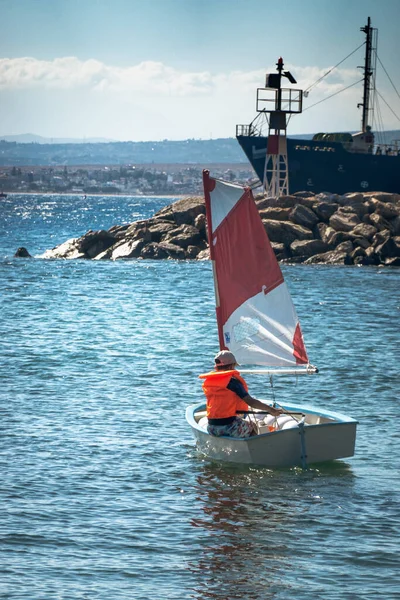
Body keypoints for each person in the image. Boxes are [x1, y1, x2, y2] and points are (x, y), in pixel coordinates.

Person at [199, 350, 282, 438]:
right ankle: (253, 449)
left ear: (216, 367)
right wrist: (271, 410)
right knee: (253, 426)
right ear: (231, 365)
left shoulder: (210, 381)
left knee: (238, 421)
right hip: (229, 427)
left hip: (212, 428)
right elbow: (251, 402)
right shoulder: (232, 382)